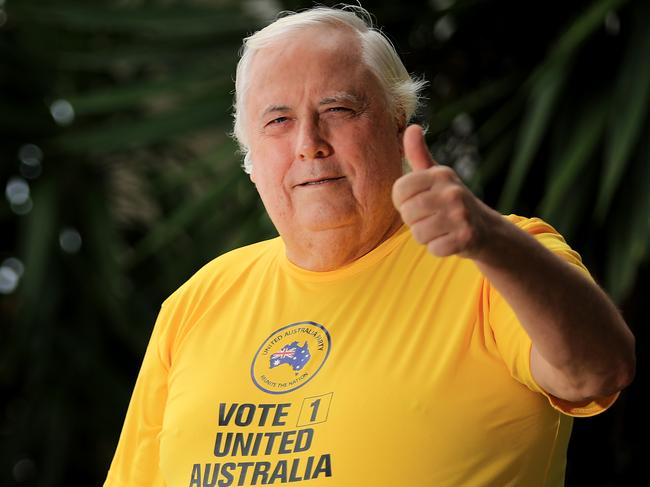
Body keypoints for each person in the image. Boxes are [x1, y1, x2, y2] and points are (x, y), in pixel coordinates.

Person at [104, 5, 635, 487]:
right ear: (249, 155)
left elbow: (597, 370)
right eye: (278, 120)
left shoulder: (499, 260)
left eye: (338, 109)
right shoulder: (196, 303)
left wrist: (491, 240)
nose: (308, 142)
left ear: (398, 124)